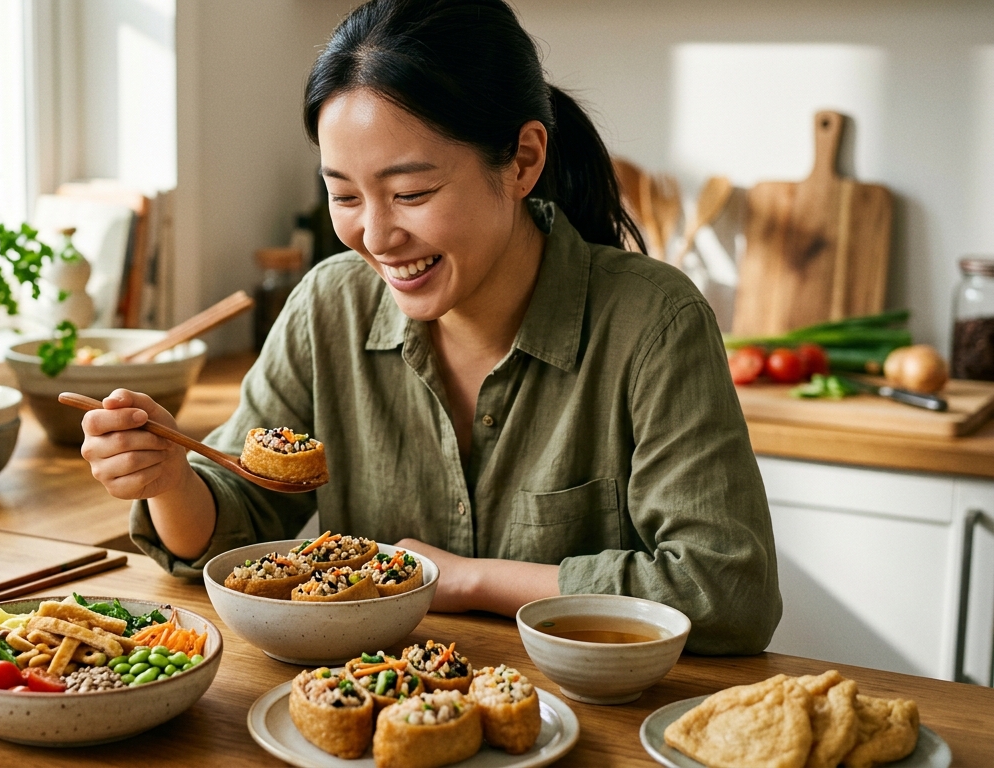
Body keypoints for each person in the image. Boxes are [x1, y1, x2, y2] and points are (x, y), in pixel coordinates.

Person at [79, 0, 781, 654]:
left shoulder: (654, 322)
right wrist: (167, 478)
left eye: (411, 193)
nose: (376, 235)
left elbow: (728, 592)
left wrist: (470, 579)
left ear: (523, 161)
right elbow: (236, 529)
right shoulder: (329, 305)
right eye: (344, 195)